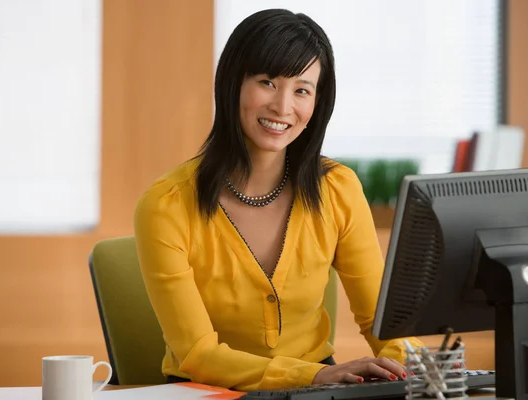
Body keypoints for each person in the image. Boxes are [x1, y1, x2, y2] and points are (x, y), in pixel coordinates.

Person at [134, 8, 424, 391]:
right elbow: (198, 355)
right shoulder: (166, 204)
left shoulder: (338, 189)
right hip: (209, 391)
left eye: (302, 89)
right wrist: (313, 376)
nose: (283, 107)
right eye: (267, 82)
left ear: (317, 103)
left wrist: (418, 365)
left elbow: (381, 323)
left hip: (318, 389)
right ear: (232, 83)